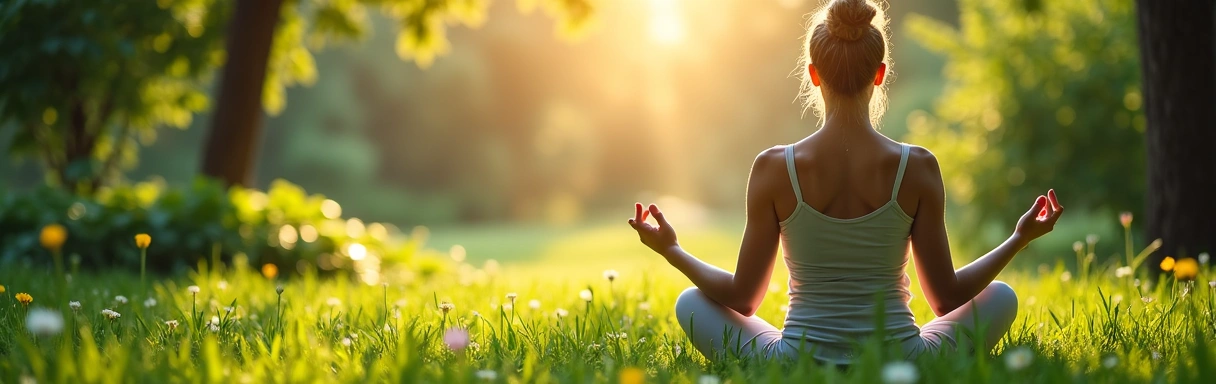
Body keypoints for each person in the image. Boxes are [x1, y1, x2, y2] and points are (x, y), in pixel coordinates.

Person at [626, 0, 1064, 364]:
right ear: (880, 73)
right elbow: (946, 300)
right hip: (903, 361)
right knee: (1001, 297)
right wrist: (1019, 238)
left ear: (814, 74)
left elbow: (742, 299)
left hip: (795, 362)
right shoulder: (918, 167)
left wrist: (672, 250)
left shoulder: (774, 168)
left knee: (690, 303)